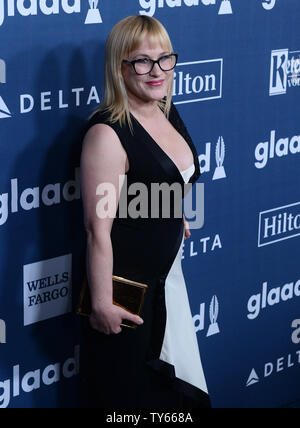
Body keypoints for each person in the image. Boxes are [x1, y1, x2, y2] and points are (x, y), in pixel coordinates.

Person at [79, 15, 211, 408]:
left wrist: (170, 211)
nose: (157, 72)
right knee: (131, 397)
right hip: (127, 294)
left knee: (173, 395)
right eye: (141, 61)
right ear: (119, 67)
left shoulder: (166, 111)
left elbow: (166, 176)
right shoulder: (106, 134)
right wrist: (103, 302)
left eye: (164, 58)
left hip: (167, 281)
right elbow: (96, 229)